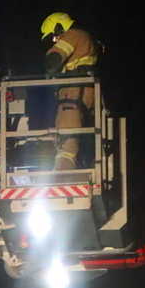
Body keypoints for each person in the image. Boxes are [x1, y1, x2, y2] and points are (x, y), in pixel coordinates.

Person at [41, 12, 101, 170]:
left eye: (54, 37)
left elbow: (52, 60)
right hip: (85, 94)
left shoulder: (73, 34)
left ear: (59, 28)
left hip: (74, 94)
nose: (55, 40)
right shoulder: (87, 39)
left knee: (66, 143)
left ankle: (62, 177)